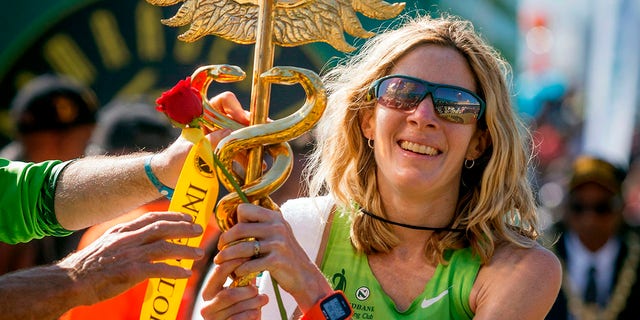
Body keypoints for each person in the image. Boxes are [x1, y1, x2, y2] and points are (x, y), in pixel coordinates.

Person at [196, 13, 562, 320]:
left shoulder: (523, 269)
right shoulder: (300, 229)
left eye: (454, 103)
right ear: (367, 120)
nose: (422, 116)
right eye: (402, 92)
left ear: (479, 141)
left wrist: (313, 290)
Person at [0, 122, 232, 319]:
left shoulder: (106, 235)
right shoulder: (218, 228)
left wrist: (159, 169)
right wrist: (75, 277)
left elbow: (28, 193)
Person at [0, 74, 99, 272]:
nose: (62, 145)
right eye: (54, 137)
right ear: (24, 138)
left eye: (72, 136)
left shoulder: (97, 176)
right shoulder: (7, 187)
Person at [545, 155, 640, 319]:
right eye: (579, 207)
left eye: (602, 207)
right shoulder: (543, 257)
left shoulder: (636, 255)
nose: (590, 219)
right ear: (566, 209)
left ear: (621, 208)